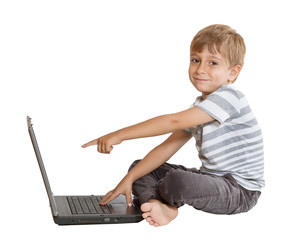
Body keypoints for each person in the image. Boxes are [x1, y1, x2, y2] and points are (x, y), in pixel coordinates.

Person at [82, 24, 264, 227]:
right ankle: (156, 205)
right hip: (211, 178)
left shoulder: (230, 97)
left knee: (178, 180)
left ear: (232, 73)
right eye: (196, 60)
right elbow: (166, 148)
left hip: (240, 191)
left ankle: (166, 205)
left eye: (213, 63)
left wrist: (120, 135)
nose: (200, 69)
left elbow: (173, 121)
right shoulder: (200, 108)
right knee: (139, 168)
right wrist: (129, 179)